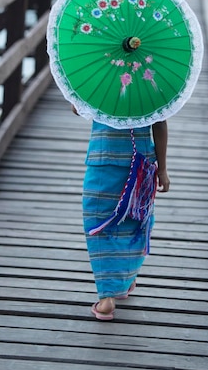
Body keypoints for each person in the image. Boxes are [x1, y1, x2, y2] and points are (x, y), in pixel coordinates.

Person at [73, 108, 170, 321]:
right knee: (135, 221)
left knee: (99, 223)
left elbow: (76, 108)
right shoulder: (150, 81)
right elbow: (160, 124)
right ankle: (124, 279)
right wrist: (162, 169)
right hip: (140, 164)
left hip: (102, 160)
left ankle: (108, 296)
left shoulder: (101, 80)